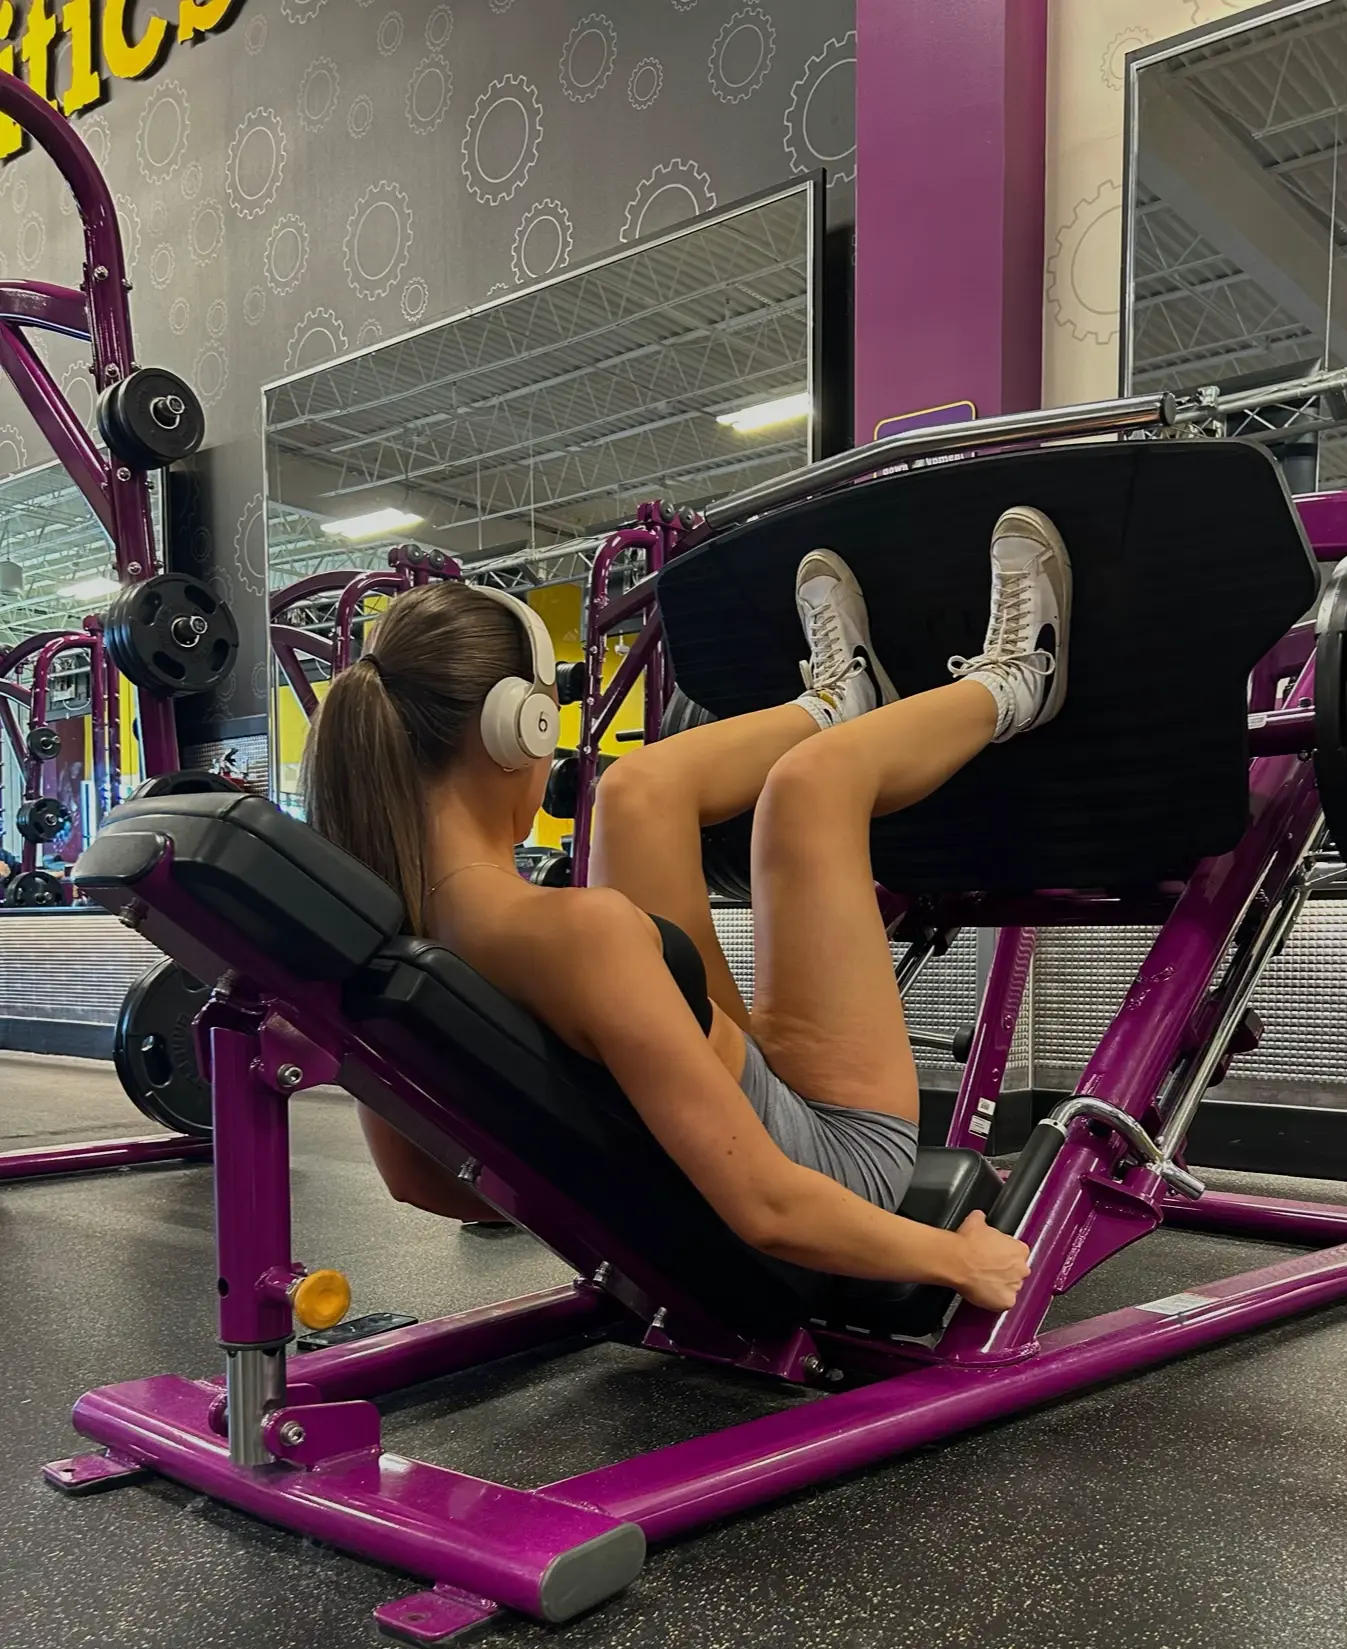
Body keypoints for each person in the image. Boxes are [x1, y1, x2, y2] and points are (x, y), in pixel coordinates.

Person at [304, 506, 1072, 1314]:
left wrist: (612, 1185)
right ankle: (1018, 681)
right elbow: (771, 1209)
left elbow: (414, 1181)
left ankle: (837, 701)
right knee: (812, 789)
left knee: (636, 791)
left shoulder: (376, 940)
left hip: (723, 1123)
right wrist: (957, 1258)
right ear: (521, 732)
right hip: (835, 1158)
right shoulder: (577, 936)